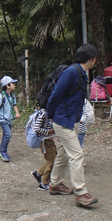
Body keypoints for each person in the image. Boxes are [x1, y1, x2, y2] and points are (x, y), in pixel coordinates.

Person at [46, 44, 99, 207]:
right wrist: (50, 116)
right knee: (77, 155)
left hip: (71, 120)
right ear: (91, 59)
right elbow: (55, 95)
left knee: (63, 152)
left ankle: (54, 184)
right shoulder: (71, 72)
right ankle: (81, 193)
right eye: (95, 59)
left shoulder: (82, 74)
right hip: (63, 121)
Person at [0, 76, 20, 162]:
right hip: (3, 119)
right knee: (8, 134)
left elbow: (14, 105)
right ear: (8, 85)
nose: (14, 85)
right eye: (13, 83)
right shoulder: (1, 97)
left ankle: (1, 150)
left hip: (9, 119)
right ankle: (3, 152)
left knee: (5, 135)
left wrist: (17, 113)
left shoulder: (13, 95)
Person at [30, 107, 58, 191]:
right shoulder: (43, 114)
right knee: (51, 162)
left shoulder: (49, 112)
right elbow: (37, 129)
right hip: (46, 141)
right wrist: (49, 132)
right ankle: (44, 183)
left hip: (50, 140)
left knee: (52, 159)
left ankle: (38, 173)